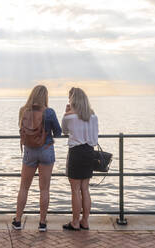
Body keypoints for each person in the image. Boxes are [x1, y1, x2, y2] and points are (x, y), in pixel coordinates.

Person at [12, 85, 62, 232]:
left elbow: (21, 128)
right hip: (46, 150)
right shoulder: (49, 112)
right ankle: (42, 223)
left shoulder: (23, 110)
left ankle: (17, 220)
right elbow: (58, 133)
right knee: (44, 189)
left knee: (24, 187)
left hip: (29, 151)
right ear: (45, 96)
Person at [61, 87, 98, 231]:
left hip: (76, 152)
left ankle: (75, 222)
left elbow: (64, 131)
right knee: (85, 189)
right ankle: (85, 221)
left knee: (75, 190)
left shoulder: (69, 117)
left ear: (73, 100)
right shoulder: (93, 116)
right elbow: (95, 136)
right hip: (89, 151)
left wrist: (66, 112)